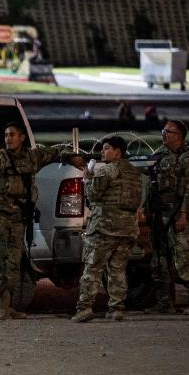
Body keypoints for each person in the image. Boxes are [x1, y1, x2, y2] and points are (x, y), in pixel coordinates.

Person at [0, 122, 86, 319]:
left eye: (12, 135)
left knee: (14, 261)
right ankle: (1, 305)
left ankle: (6, 306)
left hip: (19, 217)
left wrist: (72, 157)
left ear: (21, 138)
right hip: (0, 216)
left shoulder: (32, 157)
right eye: (6, 135)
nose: (8, 138)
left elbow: (56, 152)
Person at [71, 135, 142, 322]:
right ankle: (116, 308)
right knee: (118, 270)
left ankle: (84, 308)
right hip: (127, 229)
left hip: (104, 227)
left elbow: (93, 195)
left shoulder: (107, 171)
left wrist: (87, 178)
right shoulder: (134, 172)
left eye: (107, 148)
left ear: (118, 151)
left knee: (92, 269)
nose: (103, 152)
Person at [147, 119, 189, 315]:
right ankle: (164, 302)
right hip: (161, 215)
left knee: (184, 260)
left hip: (176, 214)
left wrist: (183, 215)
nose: (163, 134)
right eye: (163, 130)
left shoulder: (188, 159)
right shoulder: (164, 158)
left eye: (168, 131)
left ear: (179, 136)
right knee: (159, 260)